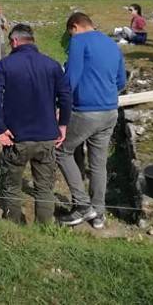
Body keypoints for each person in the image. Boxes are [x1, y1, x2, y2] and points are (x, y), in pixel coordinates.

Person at [0, 24, 72, 224]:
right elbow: (66, 97)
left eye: (10, 42)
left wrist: (1, 128)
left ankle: (15, 226)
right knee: (44, 187)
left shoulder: (5, 65)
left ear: (15, 41)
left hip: (16, 137)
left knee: (12, 186)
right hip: (46, 136)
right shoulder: (52, 65)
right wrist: (63, 125)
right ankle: (44, 227)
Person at [56, 12, 126, 230]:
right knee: (98, 163)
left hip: (86, 111)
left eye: (70, 32)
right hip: (110, 111)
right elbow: (121, 81)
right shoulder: (111, 43)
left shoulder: (79, 41)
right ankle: (99, 214)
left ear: (75, 27)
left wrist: (60, 109)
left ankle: (82, 205)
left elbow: (71, 79)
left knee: (60, 150)